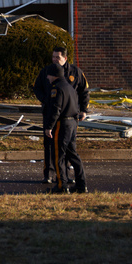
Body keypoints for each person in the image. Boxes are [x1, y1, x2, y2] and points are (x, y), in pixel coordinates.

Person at [32, 46, 89, 184]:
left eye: (57, 57)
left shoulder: (75, 72)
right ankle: (49, 174)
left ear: (65, 58)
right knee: (49, 145)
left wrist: (84, 110)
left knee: (69, 147)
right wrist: (46, 100)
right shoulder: (47, 71)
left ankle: (64, 176)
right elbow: (37, 88)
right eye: (53, 57)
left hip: (69, 116)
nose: (55, 60)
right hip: (51, 113)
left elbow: (84, 91)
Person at [44, 63, 87, 193]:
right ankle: (81, 185)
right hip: (73, 123)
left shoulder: (57, 88)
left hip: (62, 124)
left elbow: (56, 109)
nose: (47, 77)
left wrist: (49, 127)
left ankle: (61, 186)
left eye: (48, 75)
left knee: (58, 156)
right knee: (73, 155)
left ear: (54, 75)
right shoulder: (70, 88)